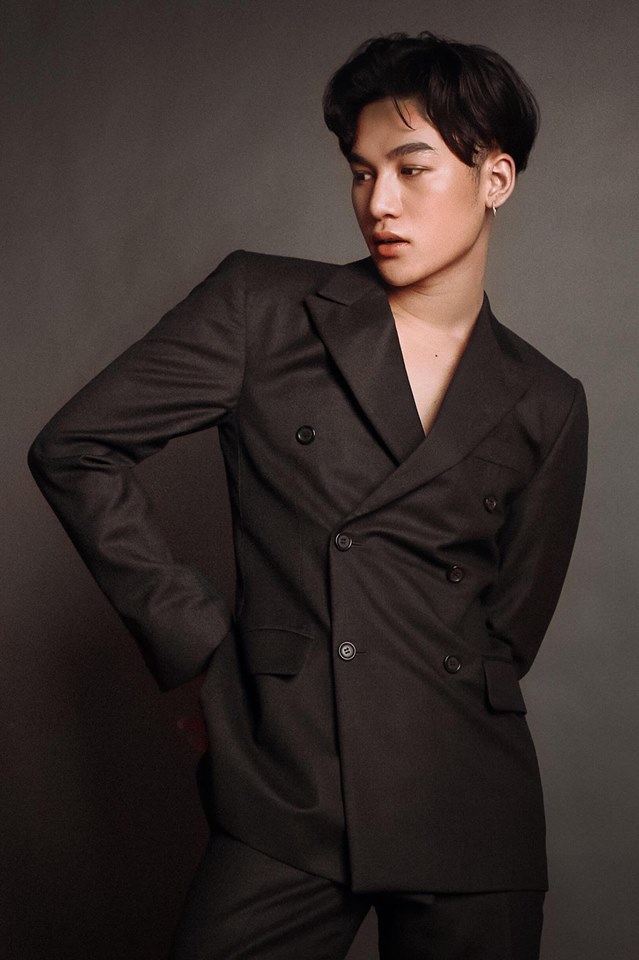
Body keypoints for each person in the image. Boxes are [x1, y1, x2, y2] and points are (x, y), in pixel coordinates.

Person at [29, 31, 588, 960]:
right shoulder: (262, 308)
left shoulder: (546, 400)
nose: (378, 202)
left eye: (411, 168)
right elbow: (76, 448)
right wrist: (205, 652)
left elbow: (505, 634)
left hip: (468, 800)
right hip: (288, 779)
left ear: (495, 178)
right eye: (361, 172)